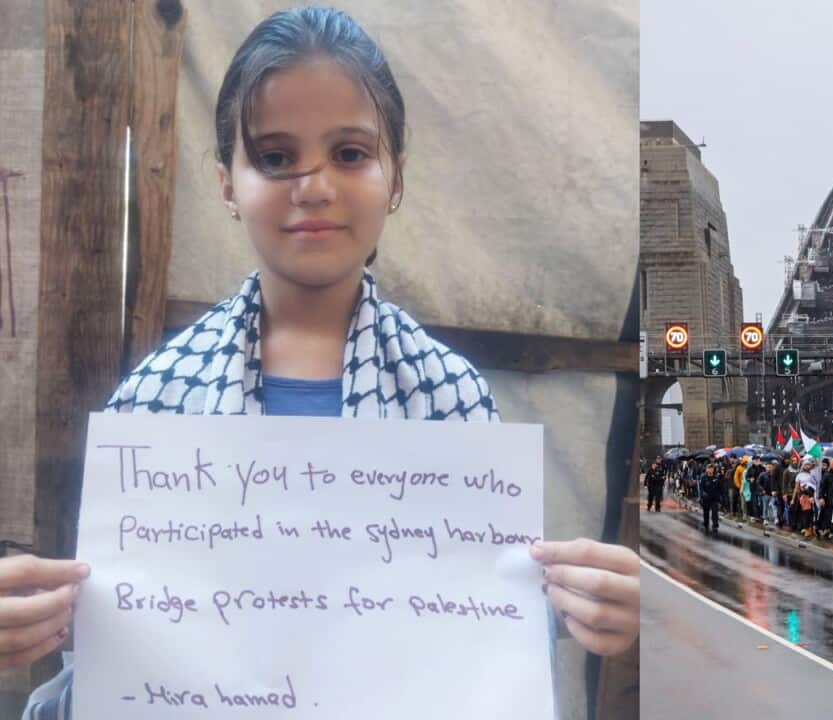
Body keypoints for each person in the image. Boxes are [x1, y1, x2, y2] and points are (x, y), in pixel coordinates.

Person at [16, 9, 642, 716]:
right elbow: (110, 667)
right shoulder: (154, 401)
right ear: (226, 183)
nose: (313, 185)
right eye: (275, 157)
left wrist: (564, 612)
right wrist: (46, 624)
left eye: (350, 153)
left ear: (395, 177)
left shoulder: (452, 401)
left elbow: (473, 645)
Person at [699, 462, 722, 533]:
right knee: (706, 512)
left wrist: (719, 497)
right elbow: (701, 487)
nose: (710, 470)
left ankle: (715, 525)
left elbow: (719, 488)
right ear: (706, 469)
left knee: (715, 512)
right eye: (708, 468)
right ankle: (706, 523)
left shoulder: (716, 477)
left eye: (711, 468)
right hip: (706, 498)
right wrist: (703, 494)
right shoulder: (704, 477)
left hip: (714, 498)